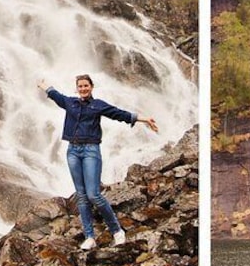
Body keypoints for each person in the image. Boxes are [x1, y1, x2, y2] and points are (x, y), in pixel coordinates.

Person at [37, 74, 159, 250]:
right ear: (77, 88)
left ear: (91, 87)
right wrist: (45, 86)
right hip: (72, 151)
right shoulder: (70, 103)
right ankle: (89, 237)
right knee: (81, 195)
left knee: (93, 194)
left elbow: (119, 114)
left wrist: (143, 119)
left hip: (91, 150)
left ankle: (117, 231)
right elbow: (56, 95)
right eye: (80, 86)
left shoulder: (98, 105)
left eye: (86, 85)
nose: (83, 88)